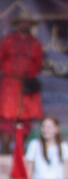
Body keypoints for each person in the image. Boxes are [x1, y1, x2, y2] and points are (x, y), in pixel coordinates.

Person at [0, 11, 44, 153]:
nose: (24, 24)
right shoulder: (7, 41)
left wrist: (28, 77)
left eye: (27, 22)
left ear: (30, 24)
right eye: (21, 21)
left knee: (26, 120)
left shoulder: (36, 44)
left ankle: (20, 153)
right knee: (7, 120)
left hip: (27, 85)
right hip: (10, 85)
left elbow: (38, 64)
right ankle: (5, 153)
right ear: (17, 24)